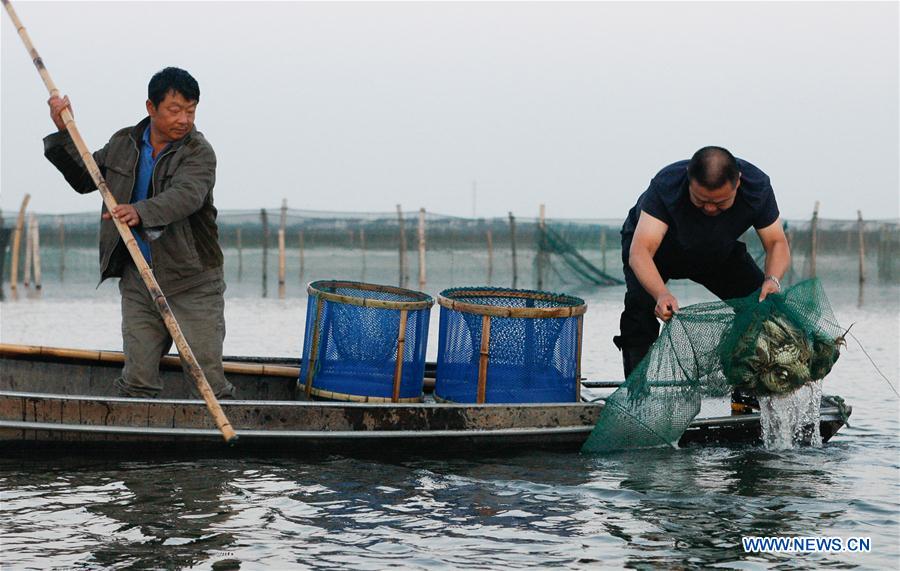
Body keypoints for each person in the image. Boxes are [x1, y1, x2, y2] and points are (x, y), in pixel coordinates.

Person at [43, 67, 235, 399]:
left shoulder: (198, 153)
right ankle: (136, 442)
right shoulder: (123, 144)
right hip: (138, 280)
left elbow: (186, 196)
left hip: (193, 281)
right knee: (137, 380)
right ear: (151, 107)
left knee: (207, 381)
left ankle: (226, 435)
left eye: (191, 111)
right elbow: (85, 178)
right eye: (175, 110)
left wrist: (139, 212)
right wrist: (64, 133)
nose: (184, 119)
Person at [614, 146, 791, 379]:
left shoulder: (757, 187)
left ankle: (748, 387)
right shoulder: (666, 184)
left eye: (719, 203)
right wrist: (661, 294)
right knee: (640, 310)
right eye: (700, 200)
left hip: (716, 252)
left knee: (761, 307)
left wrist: (772, 279)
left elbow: (777, 242)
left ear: (738, 183)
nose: (709, 208)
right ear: (688, 178)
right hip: (657, 255)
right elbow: (640, 251)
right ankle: (637, 392)